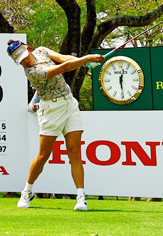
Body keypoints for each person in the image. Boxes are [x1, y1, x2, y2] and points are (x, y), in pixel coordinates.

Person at [8, 39, 104, 212]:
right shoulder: (32, 72)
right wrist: (88, 58)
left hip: (69, 103)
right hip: (51, 109)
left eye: (24, 56)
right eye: (19, 60)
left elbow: (63, 59)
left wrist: (84, 61)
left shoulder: (42, 51)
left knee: (74, 151)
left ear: (28, 49)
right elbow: (63, 68)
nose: (24, 61)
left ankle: (81, 197)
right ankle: (27, 191)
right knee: (43, 155)